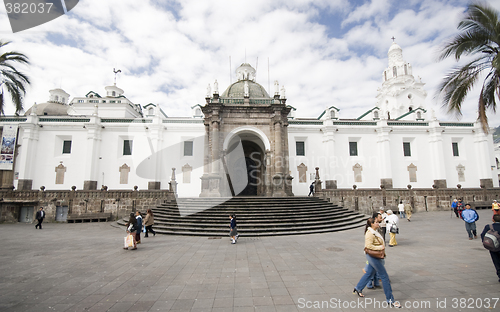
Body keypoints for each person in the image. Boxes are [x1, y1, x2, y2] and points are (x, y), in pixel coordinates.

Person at [353, 218, 401, 308]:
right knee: (384, 276)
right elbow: (368, 246)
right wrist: (380, 247)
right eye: (376, 222)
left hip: (373, 256)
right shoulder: (370, 233)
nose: (378, 223)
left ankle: (358, 288)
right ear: (371, 224)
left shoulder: (374, 231)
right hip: (373, 256)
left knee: (370, 273)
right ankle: (390, 300)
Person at [481, 214, 500, 283]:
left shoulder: (489, 226)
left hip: (493, 248)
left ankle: (499, 274)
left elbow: (483, 235)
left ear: (493, 220)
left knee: (496, 261)